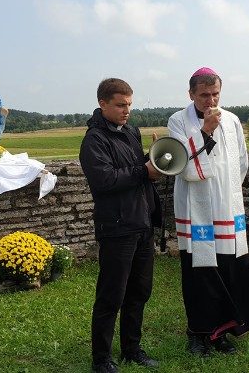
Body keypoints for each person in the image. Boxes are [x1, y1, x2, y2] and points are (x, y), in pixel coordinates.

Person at [168, 67, 249, 356]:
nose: (210, 101)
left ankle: (221, 333)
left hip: (225, 206)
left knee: (228, 270)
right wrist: (205, 132)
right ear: (191, 94)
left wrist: (228, 194)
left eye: (215, 94)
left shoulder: (233, 120)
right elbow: (179, 163)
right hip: (194, 206)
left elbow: (241, 161)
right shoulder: (178, 120)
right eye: (203, 95)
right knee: (198, 272)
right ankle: (197, 334)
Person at [79, 78, 162, 373]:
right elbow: (105, 180)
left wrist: (152, 160)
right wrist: (143, 170)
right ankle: (101, 359)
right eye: (120, 105)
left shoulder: (130, 131)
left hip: (141, 222)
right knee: (111, 295)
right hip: (116, 227)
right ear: (103, 104)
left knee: (140, 291)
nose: (127, 110)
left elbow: (133, 166)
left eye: (129, 104)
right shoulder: (94, 141)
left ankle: (131, 349)